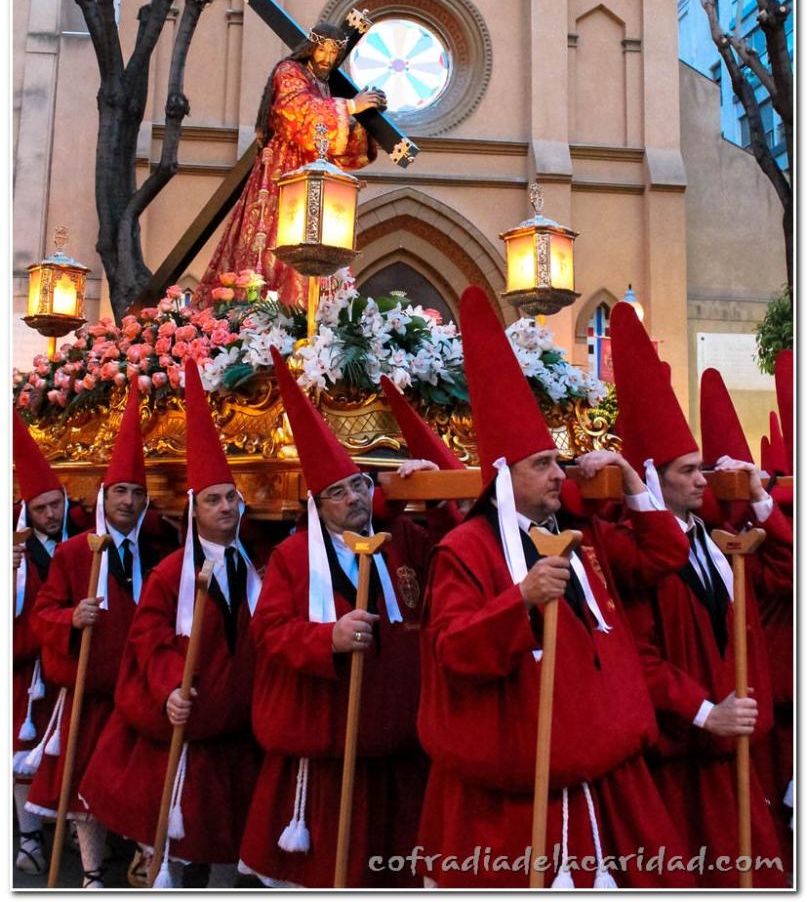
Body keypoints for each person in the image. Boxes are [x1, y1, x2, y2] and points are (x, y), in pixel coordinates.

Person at [416, 286, 694, 889]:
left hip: (609, 773)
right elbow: (452, 650)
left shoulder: (578, 534)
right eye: (541, 464)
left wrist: (630, 480)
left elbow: (662, 555)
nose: (557, 474)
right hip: (521, 787)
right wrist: (518, 601)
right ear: (503, 477)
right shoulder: (465, 549)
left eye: (556, 461)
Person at [238, 347, 453, 888]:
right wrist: (326, 638)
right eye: (337, 493)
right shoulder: (292, 558)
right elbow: (268, 632)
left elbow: (455, 556)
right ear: (318, 506)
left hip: (400, 745)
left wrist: (435, 492)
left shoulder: (403, 539)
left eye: (358, 484)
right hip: (330, 746)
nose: (353, 498)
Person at [610, 301, 788, 887]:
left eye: (700, 468)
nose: (700, 479)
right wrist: (708, 711)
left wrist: (759, 497)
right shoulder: (636, 553)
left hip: (731, 751)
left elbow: (787, 571)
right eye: (687, 470)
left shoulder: (712, 539)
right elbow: (642, 658)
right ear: (652, 477)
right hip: (679, 756)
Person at [79, 359, 263, 888]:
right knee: (173, 841)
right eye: (214, 500)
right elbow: (148, 638)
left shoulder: (256, 565)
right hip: (184, 718)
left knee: (227, 834)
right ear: (194, 510)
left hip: (234, 731)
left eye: (231, 498)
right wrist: (167, 691)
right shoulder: (169, 573)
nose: (225, 507)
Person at [26, 384, 159, 889]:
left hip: (140, 694)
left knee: (139, 780)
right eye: (120, 491)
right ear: (103, 496)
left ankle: (145, 861)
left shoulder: (158, 549)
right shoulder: (75, 552)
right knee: (81, 787)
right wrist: (71, 618)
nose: (129, 501)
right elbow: (42, 614)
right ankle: (90, 873)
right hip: (90, 693)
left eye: (137, 493)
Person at [193, 14, 386, 309]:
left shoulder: (325, 86)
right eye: (322, 50)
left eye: (334, 53)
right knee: (277, 235)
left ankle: (310, 310)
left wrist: (363, 116)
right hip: (285, 166)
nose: (328, 58)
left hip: (318, 171)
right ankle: (266, 307)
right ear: (311, 47)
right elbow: (297, 112)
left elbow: (337, 142)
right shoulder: (289, 71)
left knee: (318, 239)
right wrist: (351, 106)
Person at [698, 365, 793, 874]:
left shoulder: (766, 538)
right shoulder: (704, 544)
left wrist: (762, 505)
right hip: (741, 709)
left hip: (775, 708)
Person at [12, 412, 75, 875]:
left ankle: (68, 823)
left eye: (56, 505)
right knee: (21, 753)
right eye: (41, 508)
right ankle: (29, 836)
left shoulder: (80, 545)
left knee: (66, 751)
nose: (51, 515)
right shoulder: (13, 554)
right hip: (27, 672)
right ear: (27, 511)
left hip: (64, 665)